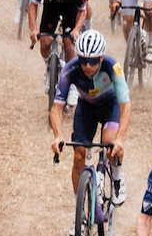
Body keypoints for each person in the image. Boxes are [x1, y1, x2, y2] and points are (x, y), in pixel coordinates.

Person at [49, 29, 132, 202]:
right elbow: (56, 108)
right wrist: (58, 135)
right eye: (83, 60)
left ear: (101, 58)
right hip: (86, 107)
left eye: (93, 61)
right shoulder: (70, 70)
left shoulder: (113, 66)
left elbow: (126, 106)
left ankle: (117, 175)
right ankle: (79, 207)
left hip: (111, 105)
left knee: (110, 143)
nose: (87, 65)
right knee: (79, 156)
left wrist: (120, 139)